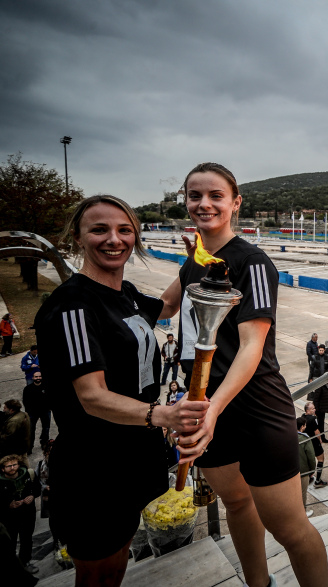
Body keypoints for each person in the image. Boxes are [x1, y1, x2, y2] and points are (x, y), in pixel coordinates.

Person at [160, 163, 328, 587]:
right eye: (195, 195)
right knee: (236, 502)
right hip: (207, 406)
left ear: (235, 204)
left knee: (289, 529)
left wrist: (213, 408)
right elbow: (163, 309)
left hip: (252, 408)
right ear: (186, 203)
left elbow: (253, 347)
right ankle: (259, 584)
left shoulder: (252, 262)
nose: (204, 203)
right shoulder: (194, 262)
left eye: (216, 195)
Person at [34, 194, 210, 586]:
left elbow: (165, 306)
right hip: (95, 467)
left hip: (132, 455)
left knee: (118, 564)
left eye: (124, 230)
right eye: (99, 229)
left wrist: (193, 262)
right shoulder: (74, 306)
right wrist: (162, 415)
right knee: (96, 573)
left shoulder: (124, 293)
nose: (113, 239)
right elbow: (91, 395)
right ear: (77, 237)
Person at [0, 455, 41, 575]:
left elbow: (37, 488)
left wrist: (32, 496)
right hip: (9, 518)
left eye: (15, 465)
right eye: (9, 466)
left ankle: (25, 562)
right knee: (9, 542)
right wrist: (8, 505)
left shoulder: (28, 474)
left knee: (27, 539)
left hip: (27, 514)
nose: (12, 468)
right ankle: (12, 566)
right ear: (3, 469)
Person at [22, 372, 50, 454]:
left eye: (40, 376)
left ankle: (44, 443)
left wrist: (49, 408)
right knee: (31, 430)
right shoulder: (28, 389)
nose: (38, 378)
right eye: (36, 376)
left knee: (46, 429)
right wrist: (28, 412)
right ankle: (29, 447)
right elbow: (25, 401)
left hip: (45, 412)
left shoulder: (46, 387)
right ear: (33, 378)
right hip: (32, 413)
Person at [302, 402, 327, 488]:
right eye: (312, 409)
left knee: (309, 460)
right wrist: (320, 439)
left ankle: (309, 477)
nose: (314, 409)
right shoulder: (313, 419)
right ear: (308, 410)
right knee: (320, 459)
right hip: (314, 443)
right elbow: (317, 432)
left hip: (306, 443)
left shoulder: (302, 417)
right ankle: (318, 481)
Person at [296, 416, 316, 518]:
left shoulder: (288, 436)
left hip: (290, 471)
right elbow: (311, 457)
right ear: (302, 426)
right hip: (303, 470)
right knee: (302, 493)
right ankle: (302, 514)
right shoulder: (304, 438)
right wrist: (312, 470)